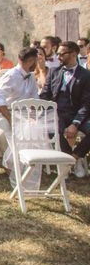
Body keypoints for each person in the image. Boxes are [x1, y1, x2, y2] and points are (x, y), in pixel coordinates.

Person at [40, 41, 90, 173]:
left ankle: (75, 157)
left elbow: (86, 103)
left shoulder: (86, 75)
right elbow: (45, 95)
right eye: (58, 54)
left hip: (78, 114)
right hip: (58, 113)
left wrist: (76, 123)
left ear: (73, 54)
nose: (58, 57)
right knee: (52, 129)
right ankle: (69, 161)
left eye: (61, 54)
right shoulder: (53, 72)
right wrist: (50, 112)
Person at [0, 47, 39, 156]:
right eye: (35, 61)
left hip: (24, 114)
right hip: (5, 113)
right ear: (31, 61)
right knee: (1, 134)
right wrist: (10, 118)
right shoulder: (11, 75)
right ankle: (11, 165)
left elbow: (35, 99)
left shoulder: (31, 76)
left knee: (36, 130)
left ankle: (31, 162)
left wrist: (32, 117)